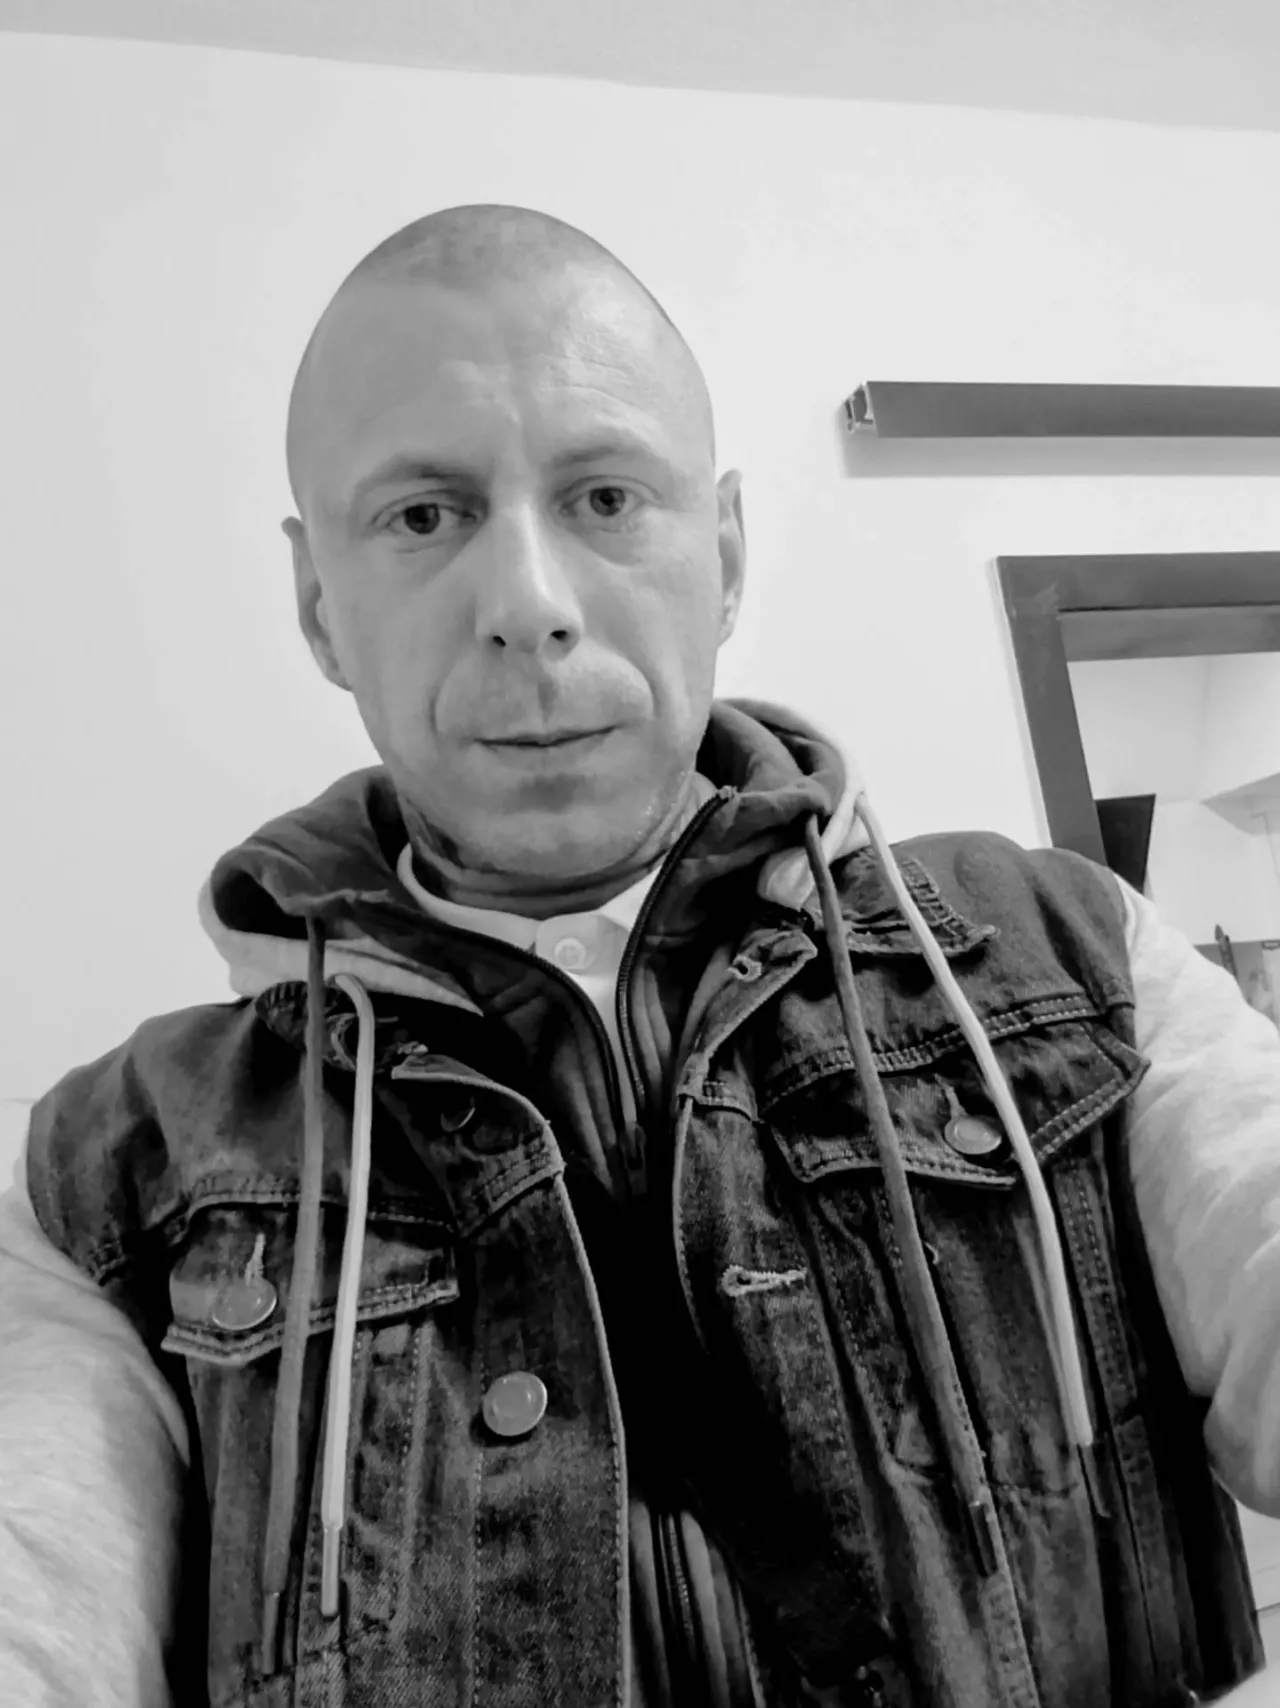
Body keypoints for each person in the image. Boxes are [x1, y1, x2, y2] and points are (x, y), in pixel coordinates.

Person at [2, 204, 1279, 1708]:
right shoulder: (109, 1176)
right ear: (317, 606)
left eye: (605, 497)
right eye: (423, 516)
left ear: (723, 555)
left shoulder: (1076, 959)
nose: (529, 609)